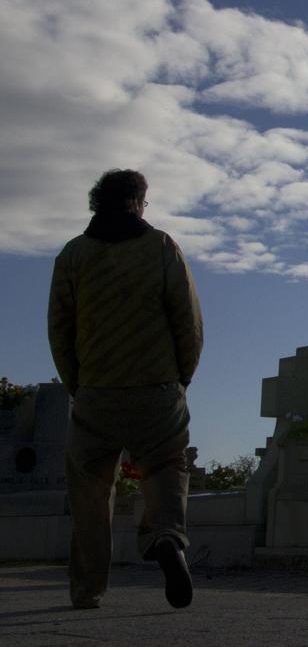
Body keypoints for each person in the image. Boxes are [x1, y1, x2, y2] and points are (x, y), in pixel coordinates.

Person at [48, 169, 203, 610]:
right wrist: (180, 379)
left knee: (90, 489)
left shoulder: (74, 255)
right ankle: (167, 539)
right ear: (137, 203)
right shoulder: (161, 247)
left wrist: (78, 384)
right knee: (166, 469)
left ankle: (87, 588)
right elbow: (187, 321)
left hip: (97, 390)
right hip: (158, 389)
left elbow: (59, 328)